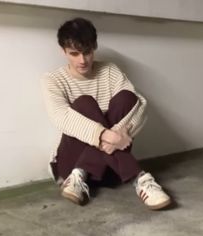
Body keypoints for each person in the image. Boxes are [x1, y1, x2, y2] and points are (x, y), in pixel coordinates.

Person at [41, 17, 171, 210]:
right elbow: (60, 117)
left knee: (127, 98)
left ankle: (103, 170)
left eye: (87, 52)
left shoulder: (109, 71)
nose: (82, 60)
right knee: (85, 103)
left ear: (95, 46)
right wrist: (106, 134)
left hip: (109, 170)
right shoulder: (53, 79)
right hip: (70, 168)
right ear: (64, 51)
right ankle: (139, 178)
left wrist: (118, 135)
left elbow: (140, 106)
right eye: (74, 54)